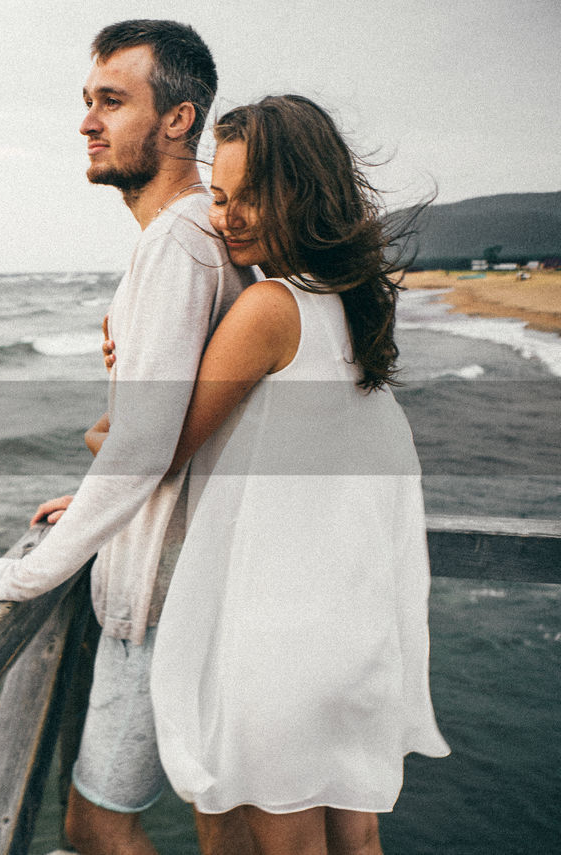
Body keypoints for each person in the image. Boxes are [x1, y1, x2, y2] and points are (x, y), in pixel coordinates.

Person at [98, 94, 447, 854]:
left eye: (255, 193)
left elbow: (147, 450)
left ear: (306, 192)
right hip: (352, 625)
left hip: (281, 638)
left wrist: (128, 366)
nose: (231, 216)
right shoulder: (348, 307)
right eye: (219, 196)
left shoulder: (268, 308)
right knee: (354, 839)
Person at [0, 19, 258, 855]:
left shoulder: (178, 246)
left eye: (112, 102)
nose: (87, 121)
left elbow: (143, 446)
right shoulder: (208, 238)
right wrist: (96, 492)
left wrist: (19, 575)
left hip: (163, 596)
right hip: (205, 580)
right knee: (221, 823)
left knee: (96, 826)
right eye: (87, 101)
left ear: (179, 119)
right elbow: (166, 429)